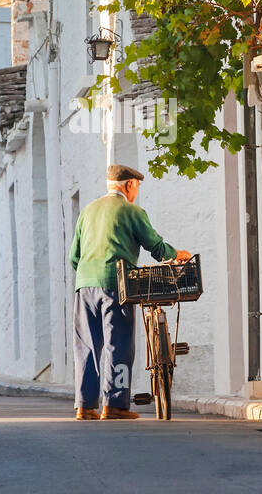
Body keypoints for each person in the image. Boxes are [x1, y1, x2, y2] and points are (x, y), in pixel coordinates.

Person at [68, 164, 191, 420]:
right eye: (137, 187)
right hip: (116, 284)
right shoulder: (132, 211)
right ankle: (115, 405)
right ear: (130, 185)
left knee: (87, 346)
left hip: (85, 284)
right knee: (118, 345)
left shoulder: (88, 211)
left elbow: (74, 257)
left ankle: (84, 406)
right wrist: (177, 254)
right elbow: (155, 246)